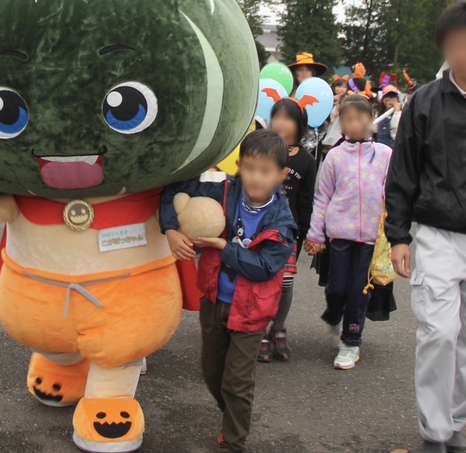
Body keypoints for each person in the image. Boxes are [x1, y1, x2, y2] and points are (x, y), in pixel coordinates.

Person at [386, 0, 466, 453]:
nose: (462, 53)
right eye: (454, 44)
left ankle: (455, 420)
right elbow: (403, 172)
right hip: (438, 234)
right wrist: (399, 236)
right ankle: (434, 431)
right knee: (439, 333)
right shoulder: (425, 100)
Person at [160, 130, 296, 452]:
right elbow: (174, 187)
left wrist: (223, 246)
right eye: (249, 168)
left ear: (282, 174)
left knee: (237, 382)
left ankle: (234, 440)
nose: (255, 178)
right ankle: (234, 414)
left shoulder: (283, 220)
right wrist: (169, 228)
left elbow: (264, 267)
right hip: (213, 301)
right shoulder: (224, 192)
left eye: (265, 171)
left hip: (251, 312)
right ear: (238, 165)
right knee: (212, 372)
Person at [304, 95, 392, 370]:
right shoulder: (334, 157)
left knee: (358, 290)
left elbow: (394, 196)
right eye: (348, 118)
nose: (354, 123)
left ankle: (351, 340)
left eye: (359, 117)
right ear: (340, 123)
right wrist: (315, 234)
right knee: (337, 288)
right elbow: (322, 197)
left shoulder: (385, 155)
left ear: (371, 118)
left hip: (370, 239)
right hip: (339, 236)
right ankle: (333, 315)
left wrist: (395, 234)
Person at [258, 99, 316, 362]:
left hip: (287, 230)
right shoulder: (262, 150)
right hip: (258, 226)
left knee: (285, 282)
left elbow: (305, 201)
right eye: (277, 116)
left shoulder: (305, 160)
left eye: (289, 118)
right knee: (259, 279)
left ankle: (277, 326)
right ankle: (257, 330)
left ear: (299, 125)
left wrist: (303, 233)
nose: (282, 122)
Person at [322, 77, 348, 152]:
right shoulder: (329, 99)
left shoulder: (347, 100)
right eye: (339, 87)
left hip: (339, 127)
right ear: (334, 88)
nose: (341, 89)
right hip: (329, 126)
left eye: (344, 87)